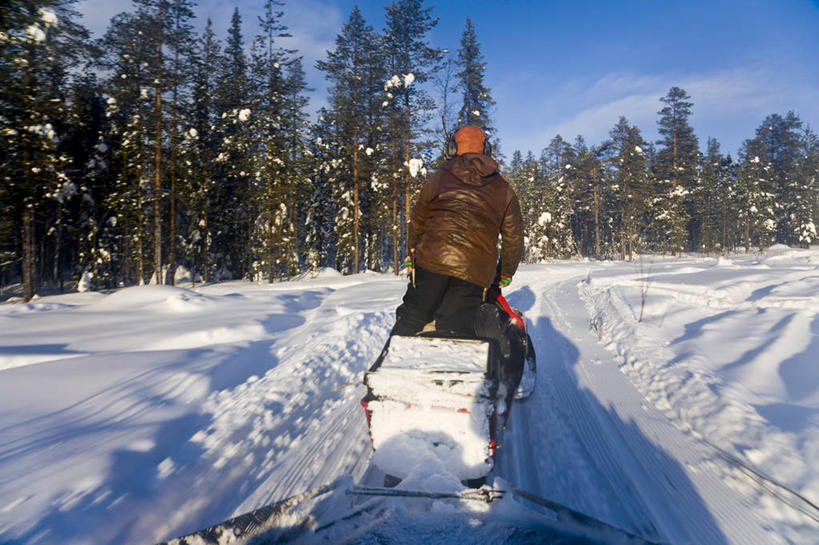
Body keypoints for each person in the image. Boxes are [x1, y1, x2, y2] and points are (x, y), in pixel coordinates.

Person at [391, 124, 524, 338]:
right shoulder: (504, 188)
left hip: (430, 262)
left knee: (412, 318)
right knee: (454, 329)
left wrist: (412, 253)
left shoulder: (437, 178)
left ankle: (389, 367)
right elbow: (514, 237)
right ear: (486, 150)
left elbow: (418, 222)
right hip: (474, 271)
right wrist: (505, 273)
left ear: (452, 149)